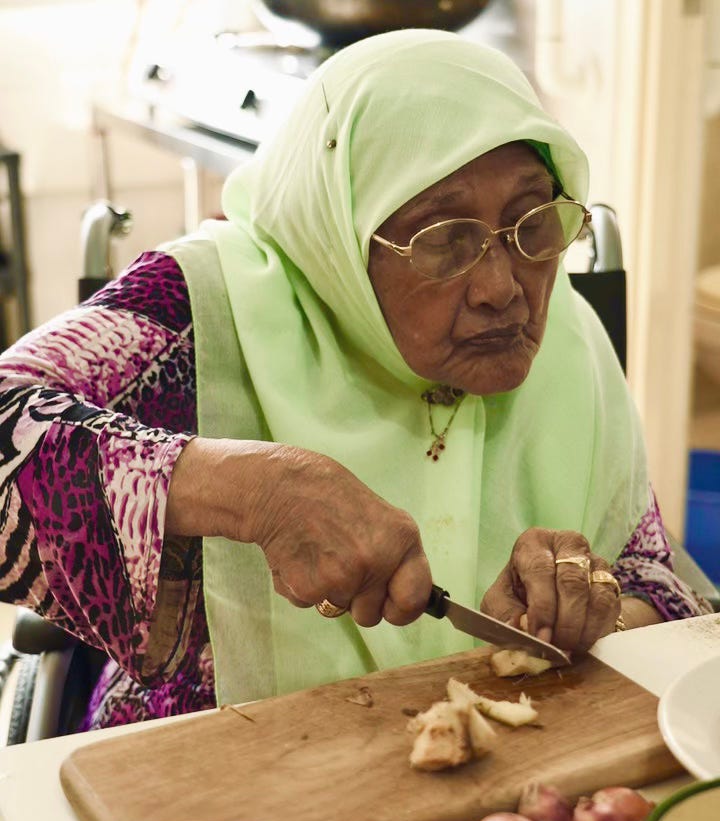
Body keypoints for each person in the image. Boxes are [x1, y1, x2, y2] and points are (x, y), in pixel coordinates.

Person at [0, 30, 711, 730]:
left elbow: (656, 581)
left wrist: (595, 609)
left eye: (533, 221)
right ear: (337, 240)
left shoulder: (570, 342)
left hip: (513, 788)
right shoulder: (210, 310)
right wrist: (256, 492)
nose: (503, 287)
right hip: (217, 789)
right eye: (443, 240)